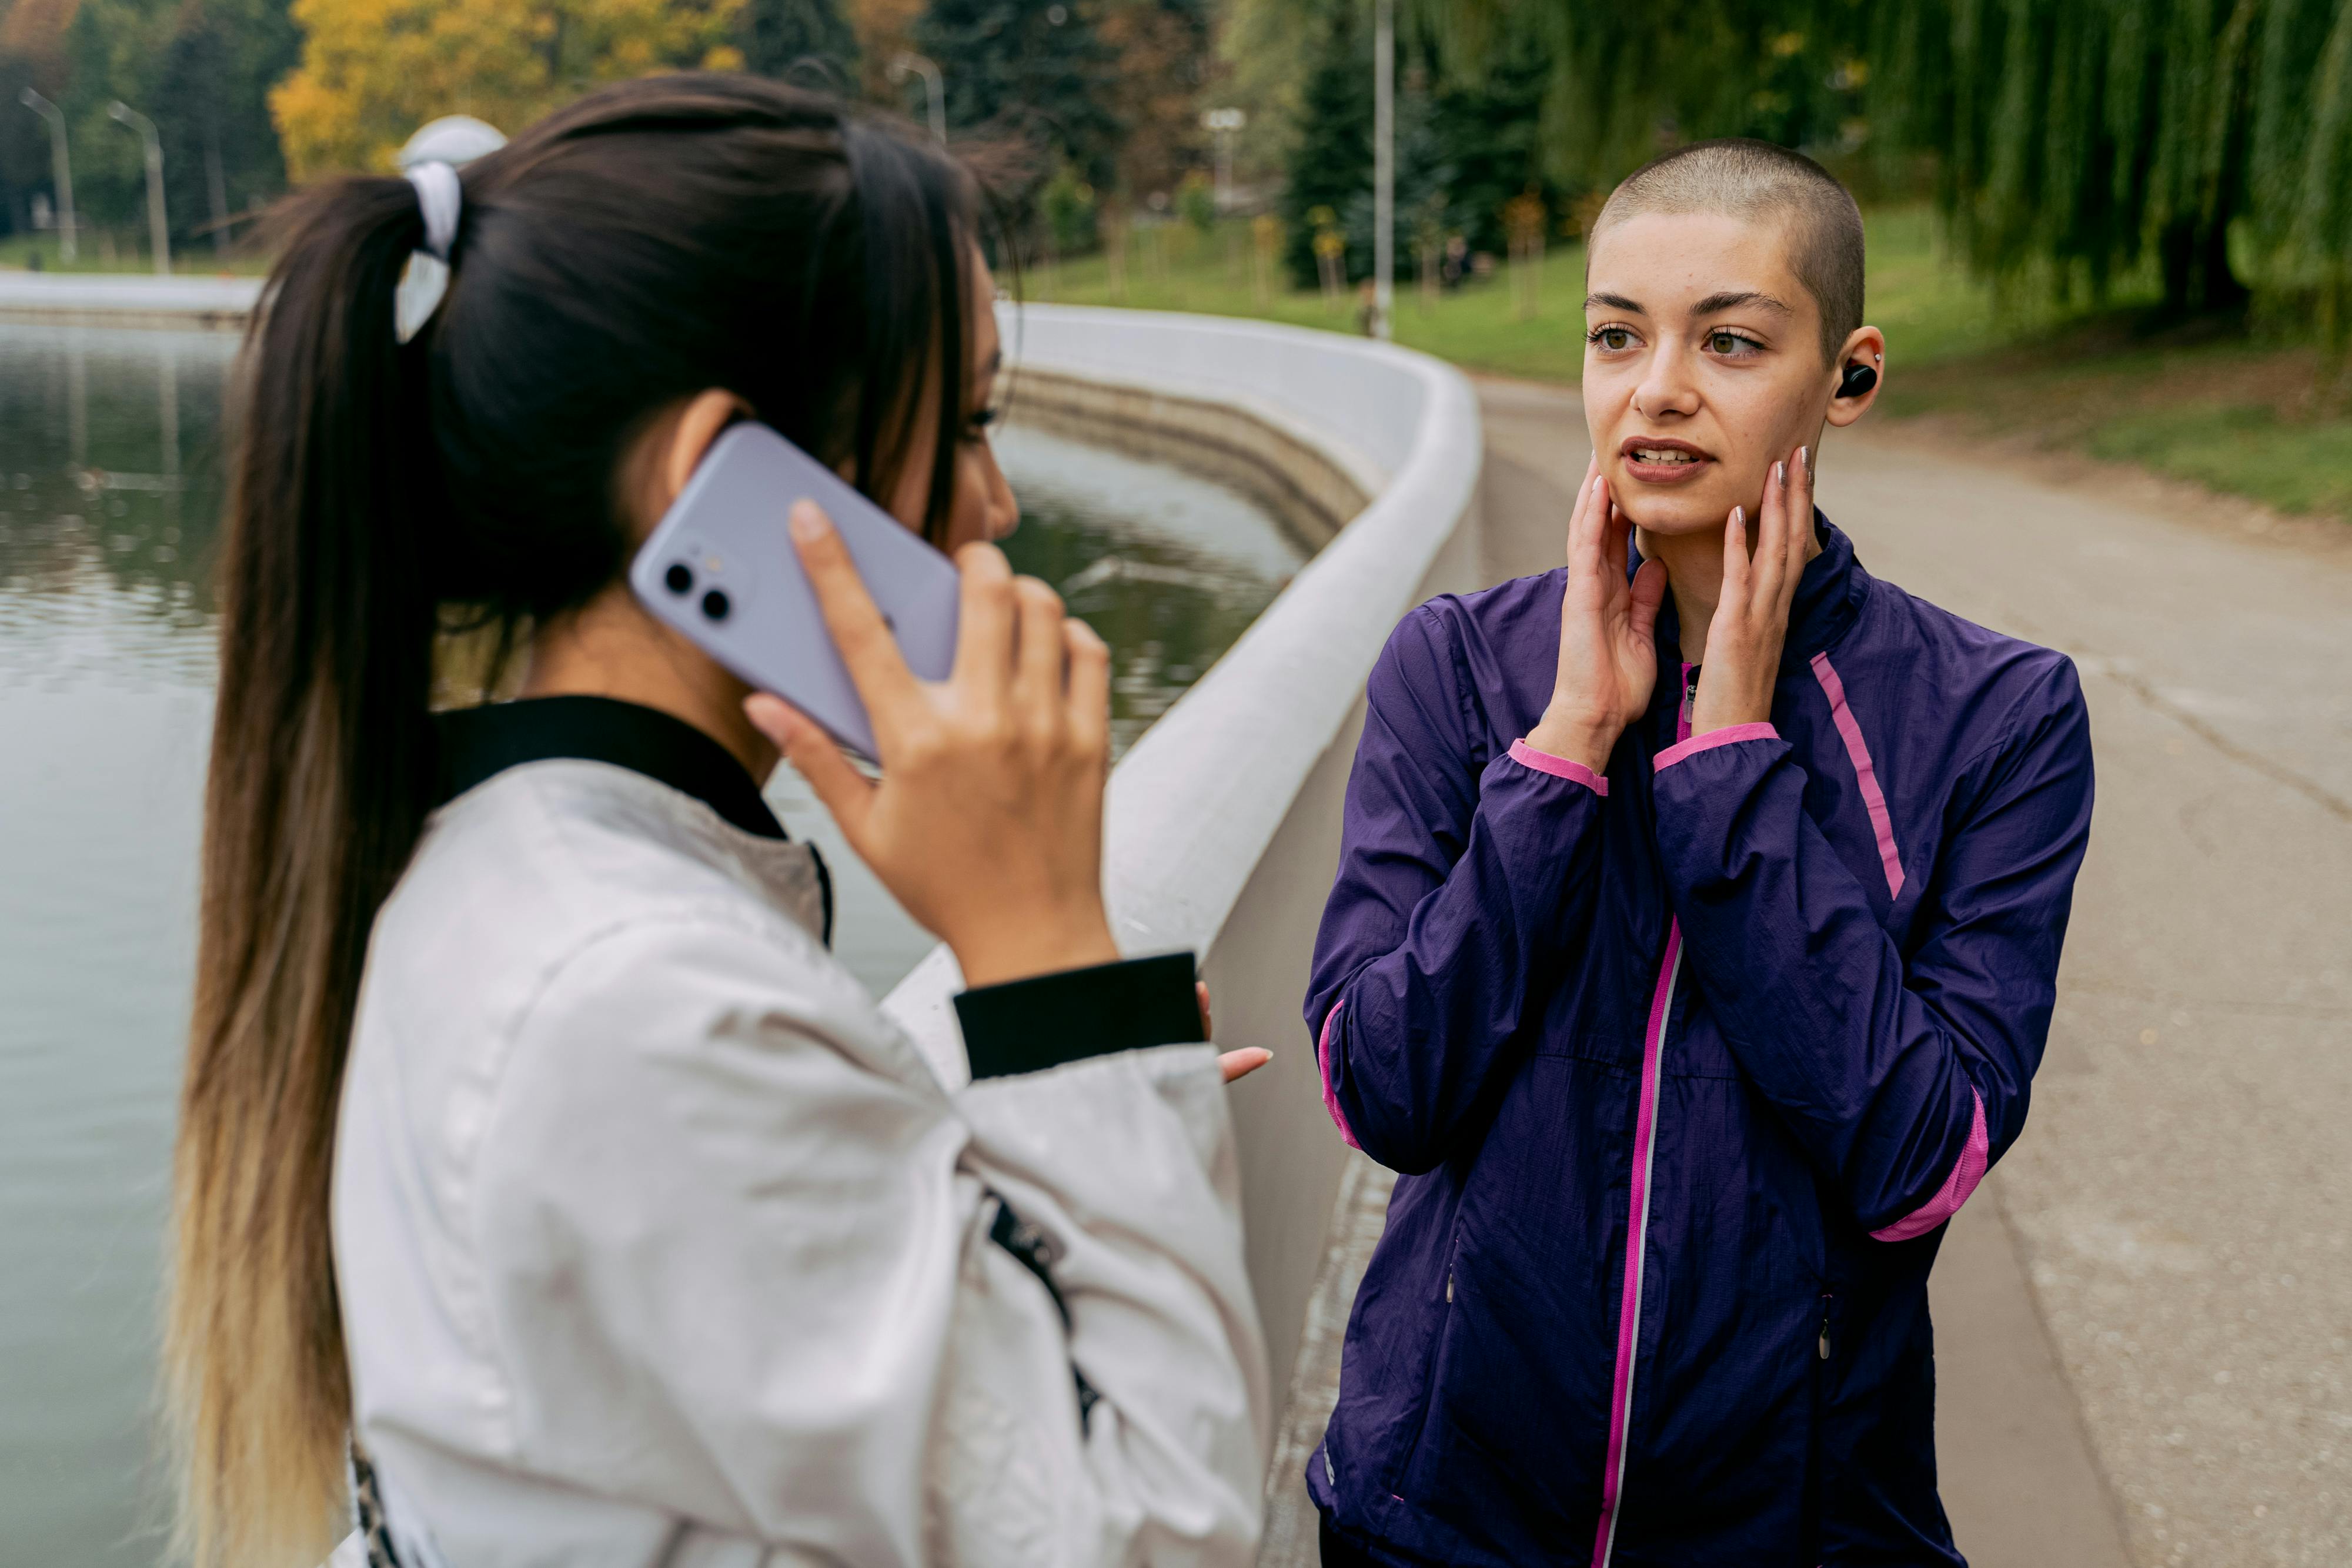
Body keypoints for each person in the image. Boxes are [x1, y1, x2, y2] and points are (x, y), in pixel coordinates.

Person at [164, 75, 1272, 1568]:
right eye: (962, 422)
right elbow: (1163, 1535)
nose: (994, 503)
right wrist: (1050, 963)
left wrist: (947, 1100)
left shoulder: (511, 888)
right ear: (726, 489)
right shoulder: (625, 997)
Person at [1304, 139, 2095, 1566]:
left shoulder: (1998, 714)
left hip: (1794, 1524)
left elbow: (1916, 1161)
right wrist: (1554, 758)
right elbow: (1379, 1089)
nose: (1654, 387)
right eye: (1616, 334)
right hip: (1441, 1514)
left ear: (1846, 375)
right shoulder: (1458, 667)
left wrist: (1729, 765)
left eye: (1728, 340)